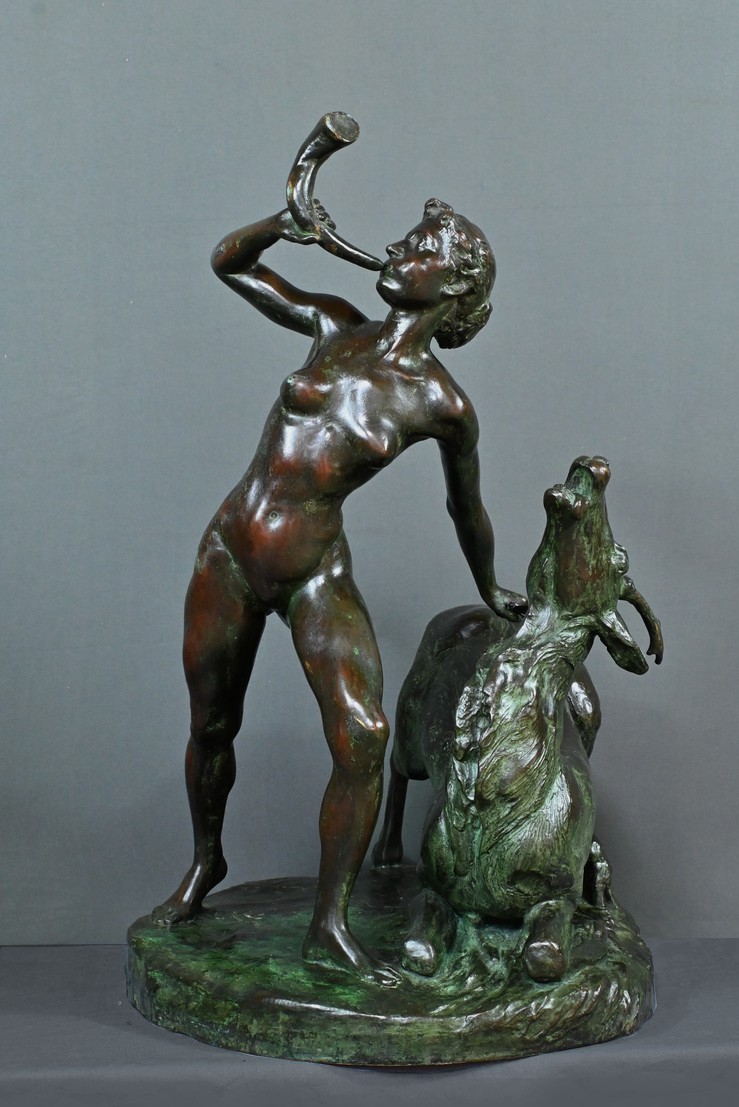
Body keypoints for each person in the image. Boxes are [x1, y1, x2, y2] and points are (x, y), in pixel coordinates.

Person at [153, 195, 526, 983]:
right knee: (211, 723)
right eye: (405, 239)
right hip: (231, 549)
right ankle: (205, 860)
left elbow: (466, 508)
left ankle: (329, 925)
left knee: (365, 736)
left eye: (420, 248)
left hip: (314, 569)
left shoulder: (443, 406)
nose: (397, 248)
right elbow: (230, 264)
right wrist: (276, 225)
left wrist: (492, 585)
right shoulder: (333, 325)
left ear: (456, 287)